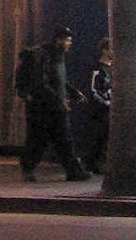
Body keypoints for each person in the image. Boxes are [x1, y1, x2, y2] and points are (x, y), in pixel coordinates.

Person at [19, 25, 90, 182]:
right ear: (59, 40)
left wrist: (73, 93)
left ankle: (74, 171)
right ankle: (28, 168)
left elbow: (60, 81)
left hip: (55, 107)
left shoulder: (58, 56)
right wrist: (59, 100)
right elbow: (42, 83)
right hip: (43, 109)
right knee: (40, 139)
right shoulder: (44, 56)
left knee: (63, 140)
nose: (69, 44)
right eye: (68, 40)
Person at [84, 38, 112, 174]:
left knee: (106, 136)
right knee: (100, 135)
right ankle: (92, 162)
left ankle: (98, 161)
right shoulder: (97, 68)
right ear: (104, 50)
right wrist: (105, 102)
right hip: (101, 109)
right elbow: (92, 89)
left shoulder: (113, 68)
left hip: (110, 106)